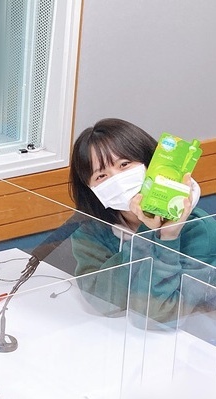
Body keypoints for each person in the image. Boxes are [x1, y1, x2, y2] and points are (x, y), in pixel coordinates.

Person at [68, 118, 216, 323]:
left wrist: (167, 237)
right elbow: (103, 302)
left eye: (124, 164)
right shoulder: (91, 230)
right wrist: (147, 231)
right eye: (101, 176)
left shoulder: (200, 229)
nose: (117, 179)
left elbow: (155, 316)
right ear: (91, 189)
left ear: (150, 162)